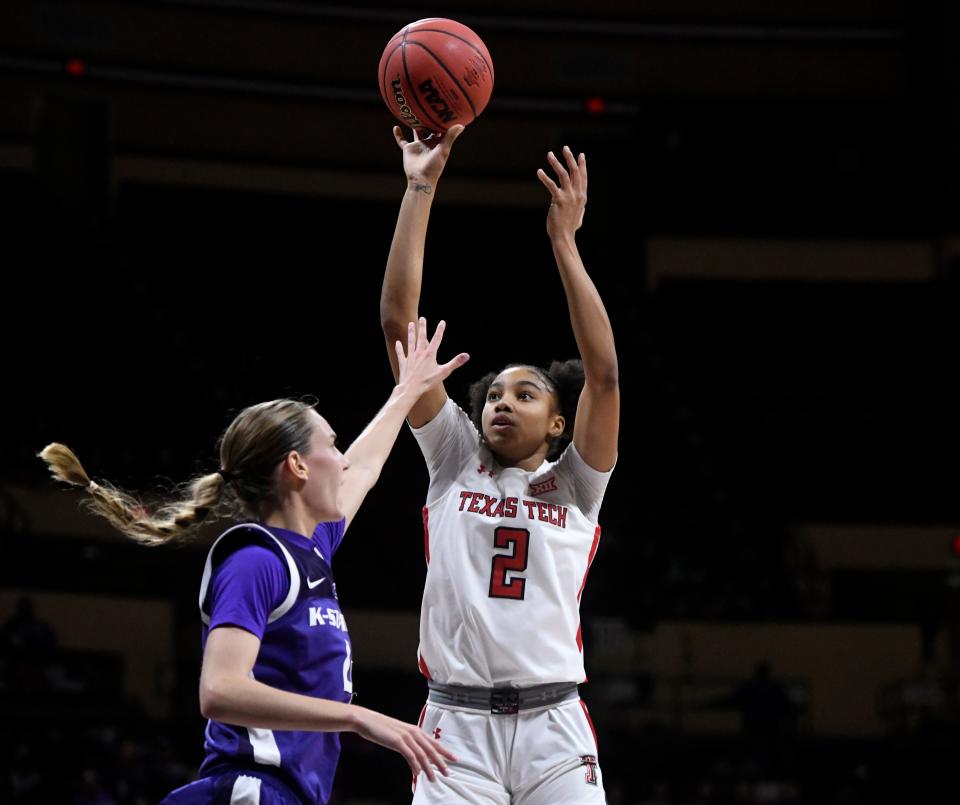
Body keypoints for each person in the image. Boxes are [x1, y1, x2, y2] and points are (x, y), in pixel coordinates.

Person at [39, 319, 465, 805]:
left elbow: (366, 468)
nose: (342, 460)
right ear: (297, 465)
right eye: (331, 445)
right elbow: (219, 691)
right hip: (251, 790)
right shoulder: (255, 560)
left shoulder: (312, 549)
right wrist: (357, 716)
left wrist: (406, 392)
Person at [380, 124, 619, 804]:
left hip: (554, 725)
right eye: (491, 394)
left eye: (526, 392)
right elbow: (400, 322)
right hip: (456, 723)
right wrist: (419, 185)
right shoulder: (455, 460)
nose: (501, 402)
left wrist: (564, 243)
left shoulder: (576, 482)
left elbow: (604, 375)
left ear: (558, 423)